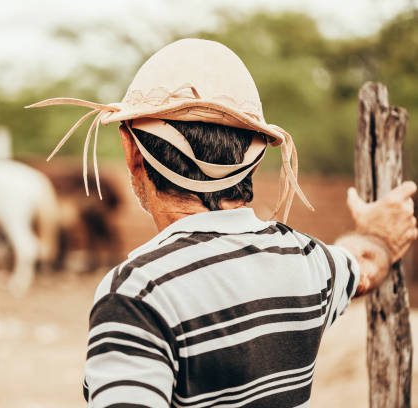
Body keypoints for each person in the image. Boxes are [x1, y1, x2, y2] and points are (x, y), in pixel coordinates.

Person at [28, 39, 418, 407]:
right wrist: (381, 236)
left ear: (132, 151)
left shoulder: (136, 296)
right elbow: (364, 265)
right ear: (256, 153)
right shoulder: (307, 260)